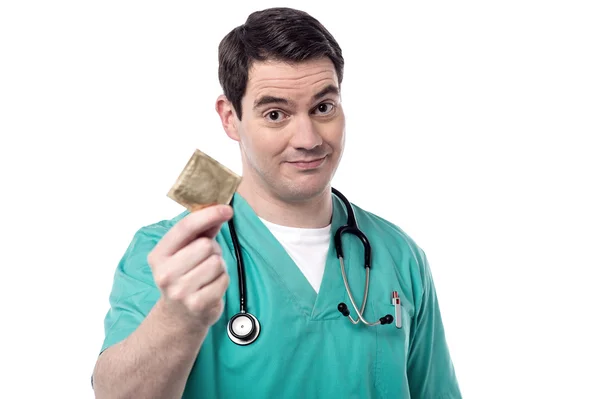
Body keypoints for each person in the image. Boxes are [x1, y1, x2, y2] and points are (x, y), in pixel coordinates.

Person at [92, 7, 462, 399]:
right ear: (230, 118)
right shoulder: (168, 254)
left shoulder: (399, 254)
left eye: (323, 108)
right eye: (275, 114)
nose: (307, 138)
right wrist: (177, 317)